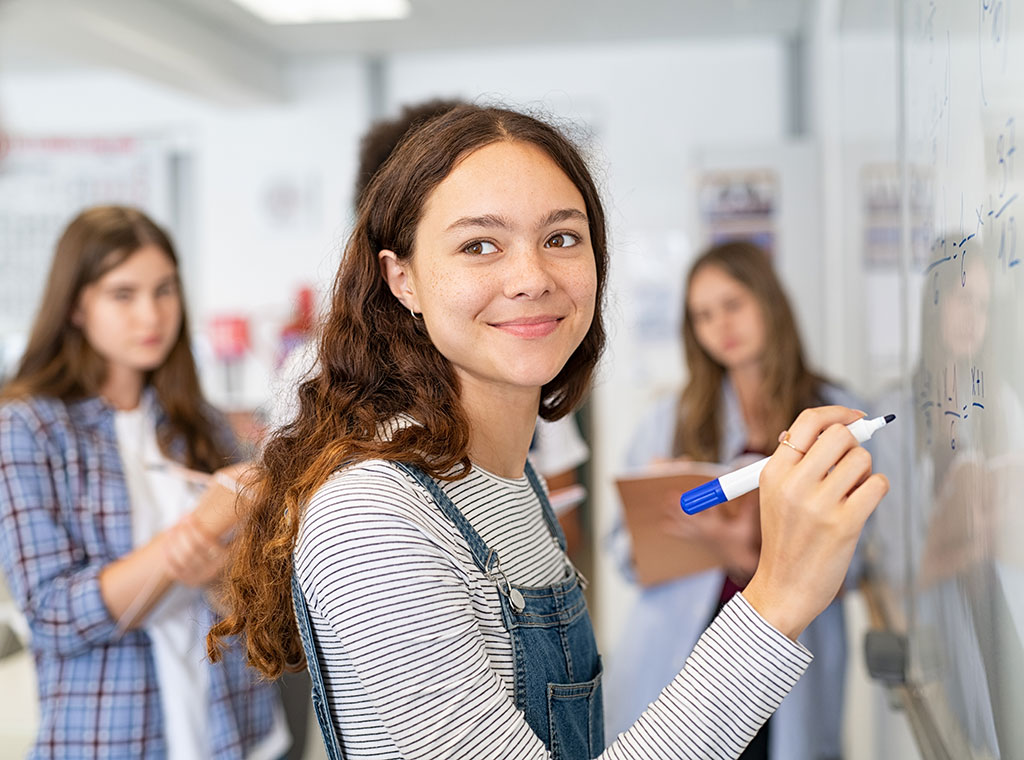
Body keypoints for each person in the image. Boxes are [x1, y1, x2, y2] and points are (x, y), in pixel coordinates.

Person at [208, 104, 888, 760]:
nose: (532, 277)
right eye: (480, 245)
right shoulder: (373, 519)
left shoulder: (507, 477)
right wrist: (778, 597)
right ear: (402, 278)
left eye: (561, 237)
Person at [0, 205, 290, 759]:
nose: (152, 315)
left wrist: (220, 573)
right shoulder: (28, 427)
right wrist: (194, 534)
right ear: (77, 304)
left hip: (235, 727)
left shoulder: (198, 420)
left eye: (164, 290)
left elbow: (256, 599)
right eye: (123, 294)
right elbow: (52, 615)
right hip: (111, 736)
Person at [604, 240, 864, 760]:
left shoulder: (836, 414)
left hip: (783, 650)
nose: (720, 325)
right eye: (702, 315)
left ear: (767, 300)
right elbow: (624, 555)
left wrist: (734, 552)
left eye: (732, 304)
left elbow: (852, 569)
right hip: (684, 650)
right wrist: (663, 520)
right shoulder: (670, 419)